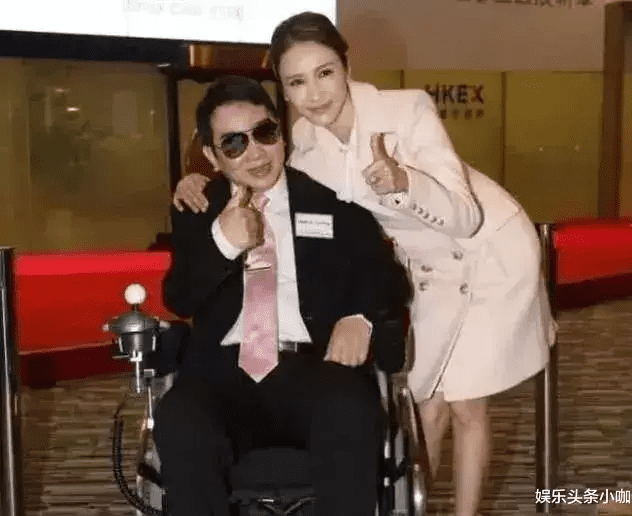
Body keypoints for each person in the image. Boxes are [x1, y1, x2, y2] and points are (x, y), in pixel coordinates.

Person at [172, 12, 556, 516]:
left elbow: (458, 218)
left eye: (325, 73)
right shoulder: (298, 151)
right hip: (421, 266)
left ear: (346, 66)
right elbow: (185, 284)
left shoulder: (407, 111)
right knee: (426, 405)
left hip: (484, 247)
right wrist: (206, 195)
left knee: (464, 402)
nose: (314, 94)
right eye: (297, 82)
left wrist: (404, 186)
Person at [155, 75, 410, 516]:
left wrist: (361, 317)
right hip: (222, 375)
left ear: (281, 132)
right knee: (181, 418)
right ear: (212, 156)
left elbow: (385, 275)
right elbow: (179, 298)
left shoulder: (332, 202)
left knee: (352, 408)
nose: (255, 152)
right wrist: (223, 244)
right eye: (234, 143)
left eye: (264, 133)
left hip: (314, 368)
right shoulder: (198, 208)